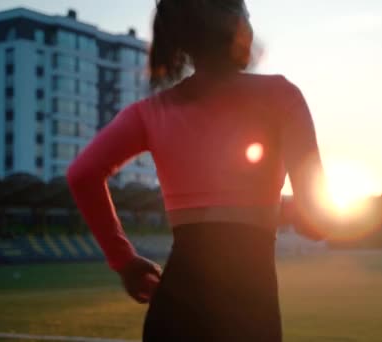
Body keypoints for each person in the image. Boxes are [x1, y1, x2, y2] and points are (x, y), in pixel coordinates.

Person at [67, 0, 332, 340]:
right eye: (248, 17)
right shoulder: (281, 96)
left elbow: (82, 174)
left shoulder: (149, 112)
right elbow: (318, 220)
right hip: (250, 313)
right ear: (237, 26)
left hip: (174, 311)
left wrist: (125, 262)